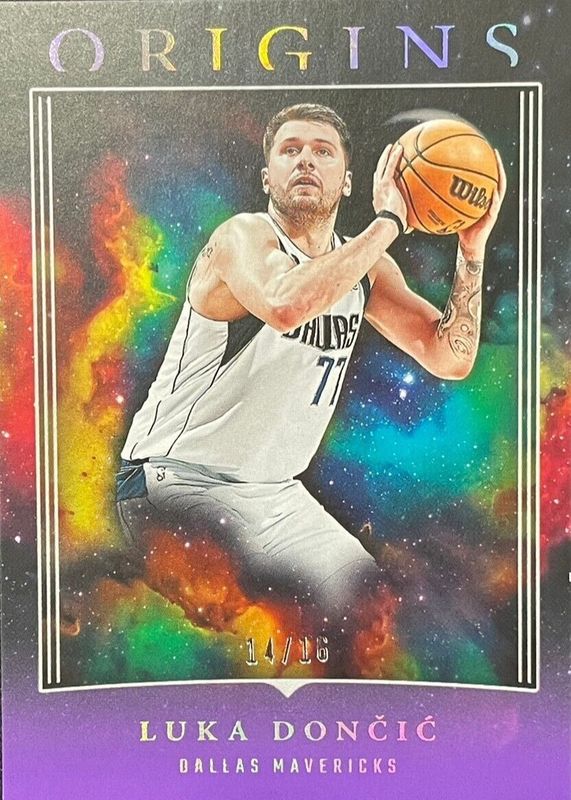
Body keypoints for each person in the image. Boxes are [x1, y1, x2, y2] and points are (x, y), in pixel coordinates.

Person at [116, 103, 506, 677]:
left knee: (373, 616)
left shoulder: (368, 270)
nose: (305, 160)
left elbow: (450, 357)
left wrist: (471, 250)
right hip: (176, 483)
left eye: (323, 152)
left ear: (346, 179)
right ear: (266, 176)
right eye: (290, 150)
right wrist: (388, 221)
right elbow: (284, 304)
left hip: (276, 495)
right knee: (252, 640)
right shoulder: (242, 237)